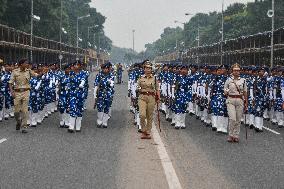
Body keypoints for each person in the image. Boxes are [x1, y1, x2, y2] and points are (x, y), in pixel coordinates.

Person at [9, 59, 38, 133]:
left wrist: (43, 73)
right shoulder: (15, 72)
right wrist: (12, 91)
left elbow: (36, 76)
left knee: (25, 110)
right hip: (17, 92)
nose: (27, 64)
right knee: (16, 111)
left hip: (26, 92)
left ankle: (24, 127)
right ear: (21, 64)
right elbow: (10, 83)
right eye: (26, 63)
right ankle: (19, 121)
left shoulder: (29, 71)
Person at [224, 63, 248, 143]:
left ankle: (236, 135)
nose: (236, 72)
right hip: (230, 99)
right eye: (235, 70)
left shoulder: (243, 80)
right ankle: (230, 135)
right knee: (232, 118)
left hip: (239, 100)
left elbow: (245, 92)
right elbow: (225, 89)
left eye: (238, 70)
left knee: (238, 119)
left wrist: (246, 102)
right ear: (232, 71)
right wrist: (226, 91)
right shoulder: (228, 80)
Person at [137, 60, 160, 139]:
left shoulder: (155, 78)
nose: (148, 70)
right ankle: (143, 130)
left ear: (151, 70)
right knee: (142, 115)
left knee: (149, 116)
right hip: (142, 97)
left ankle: (147, 132)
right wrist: (139, 89)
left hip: (151, 98)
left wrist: (158, 98)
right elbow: (137, 87)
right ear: (144, 69)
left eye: (149, 68)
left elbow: (157, 89)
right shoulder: (140, 78)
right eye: (146, 68)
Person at [94, 62, 115, 128]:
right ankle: (99, 120)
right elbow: (96, 85)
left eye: (107, 68)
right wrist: (94, 95)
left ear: (109, 69)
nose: (105, 70)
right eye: (104, 68)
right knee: (100, 107)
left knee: (107, 107)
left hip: (108, 93)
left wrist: (110, 83)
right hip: (100, 93)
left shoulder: (111, 75)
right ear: (102, 69)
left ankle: (105, 121)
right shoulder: (99, 75)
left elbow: (112, 84)